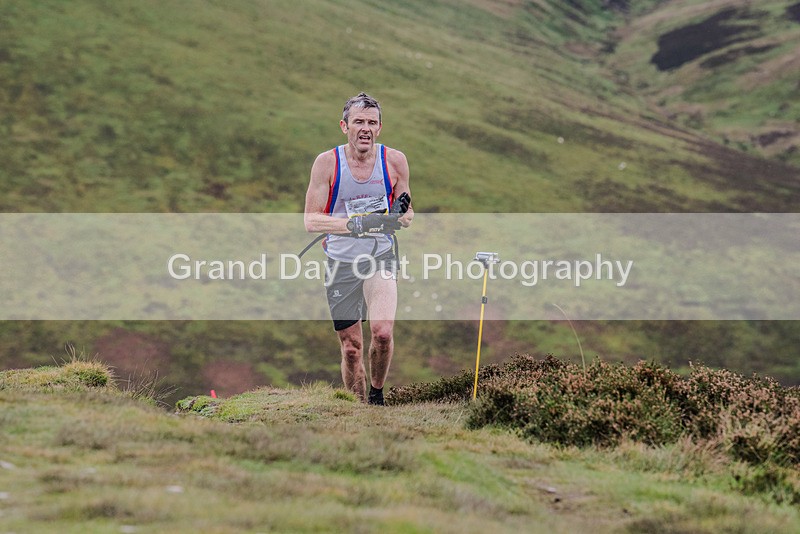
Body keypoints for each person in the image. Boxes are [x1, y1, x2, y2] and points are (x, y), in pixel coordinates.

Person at [304, 92, 413, 405]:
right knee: (351, 350)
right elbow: (311, 221)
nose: (365, 128)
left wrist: (400, 216)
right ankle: (358, 409)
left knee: (382, 333)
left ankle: (376, 397)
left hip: (380, 257)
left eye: (372, 122)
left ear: (379, 128)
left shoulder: (394, 161)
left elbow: (408, 213)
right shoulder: (327, 163)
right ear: (344, 126)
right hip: (340, 262)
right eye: (358, 122)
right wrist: (355, 225)